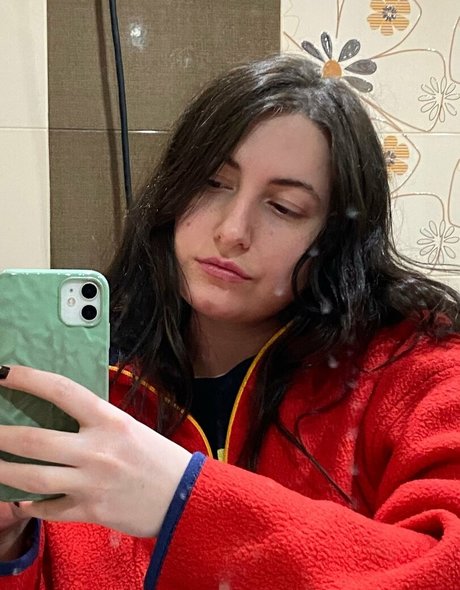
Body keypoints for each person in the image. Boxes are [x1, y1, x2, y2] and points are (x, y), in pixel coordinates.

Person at [0, 54, 459, 589]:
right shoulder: (88, 376)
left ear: (335, 238)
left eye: (284, 207)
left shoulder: (419, 374)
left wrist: (181, 500)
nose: (232, 231)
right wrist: (9, 545)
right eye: (213, 183)